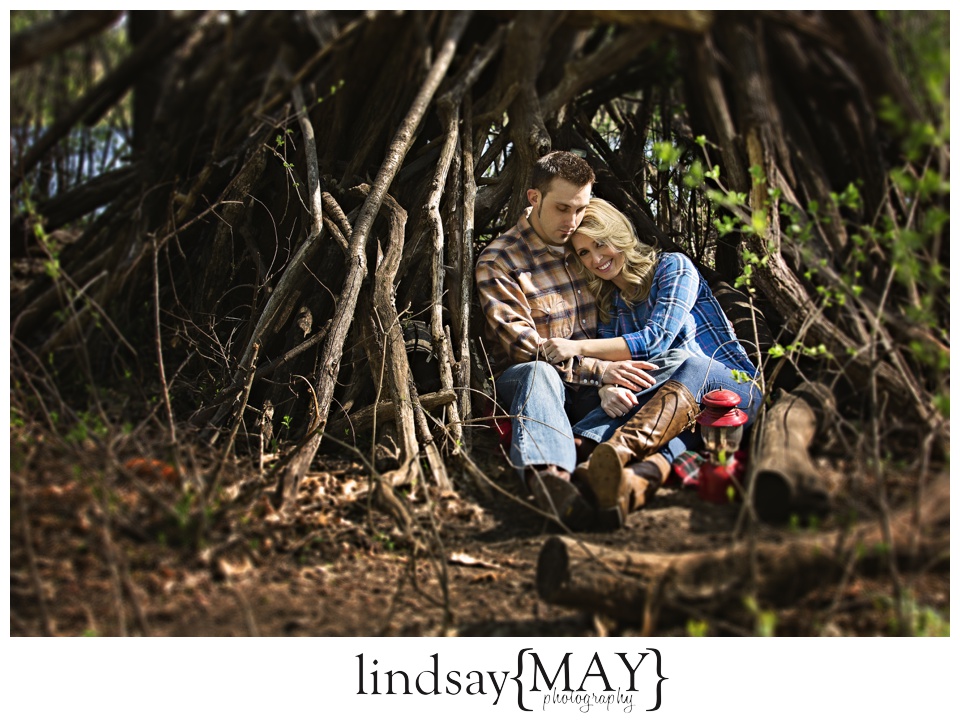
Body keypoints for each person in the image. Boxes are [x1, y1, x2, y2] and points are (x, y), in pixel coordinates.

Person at [475, 152, 685, 528]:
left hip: (596, 381)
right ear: (534, 198)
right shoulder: (500, 260)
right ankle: (553, 483)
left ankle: (590, 455)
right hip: (533, 382)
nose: (572, 222)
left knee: (678, 362)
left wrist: (608, 380)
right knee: (538, 372)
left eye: (580, 209)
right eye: (562, 208)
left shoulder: (584, 250)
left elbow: (613, 326)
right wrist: (600, 373)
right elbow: (524, 345)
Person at [542, 198, 762, 528]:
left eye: (600, 244)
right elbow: (617, 366)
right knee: (660, 430)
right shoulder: (611, 303)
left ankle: (597, 450)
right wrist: (607, 387)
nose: (596, 259)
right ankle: (621, 489)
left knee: (690, 363)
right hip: (677, 413)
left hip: (732, 391)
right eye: (584, 252)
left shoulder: (673, 268)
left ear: (620, 234)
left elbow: (654, 341)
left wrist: (576, 347)